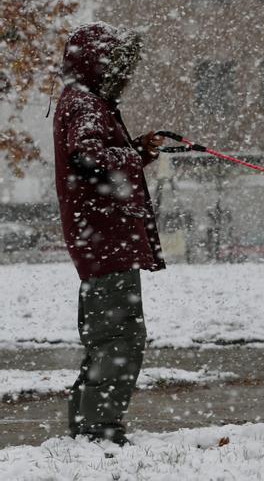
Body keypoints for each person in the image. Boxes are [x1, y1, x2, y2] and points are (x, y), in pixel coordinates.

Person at [53, 22, 166, 445]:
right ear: (97, 64)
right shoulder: (85, 105)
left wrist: (135, 151)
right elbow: (88, 158)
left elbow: (95, 157)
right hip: (105, 240)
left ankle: (88, 428)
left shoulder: (81, 101)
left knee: (107, 339)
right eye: (117, 63)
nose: (124, 73)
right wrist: (130, 154)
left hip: (100, 240)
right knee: (120, 338)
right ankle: (99, 430)